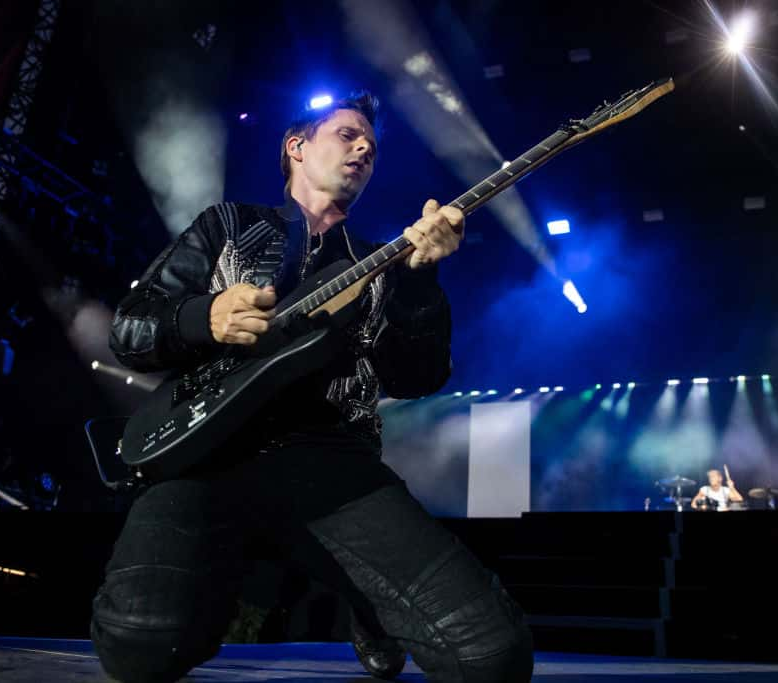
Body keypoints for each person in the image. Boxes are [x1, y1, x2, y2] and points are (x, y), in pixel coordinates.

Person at [90, 91, 533, 683]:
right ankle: (227, 585)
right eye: (348, 134)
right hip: (204, 454)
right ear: (296, 148)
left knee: (492, 657)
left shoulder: (383, 263)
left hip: (330, 464)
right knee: (137, 644)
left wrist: (421, 283)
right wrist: (204, 315)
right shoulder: (227, 224)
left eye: (371, 146)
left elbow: (417, 377)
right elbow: (129, 329)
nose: (365, 147)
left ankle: (368, 601)